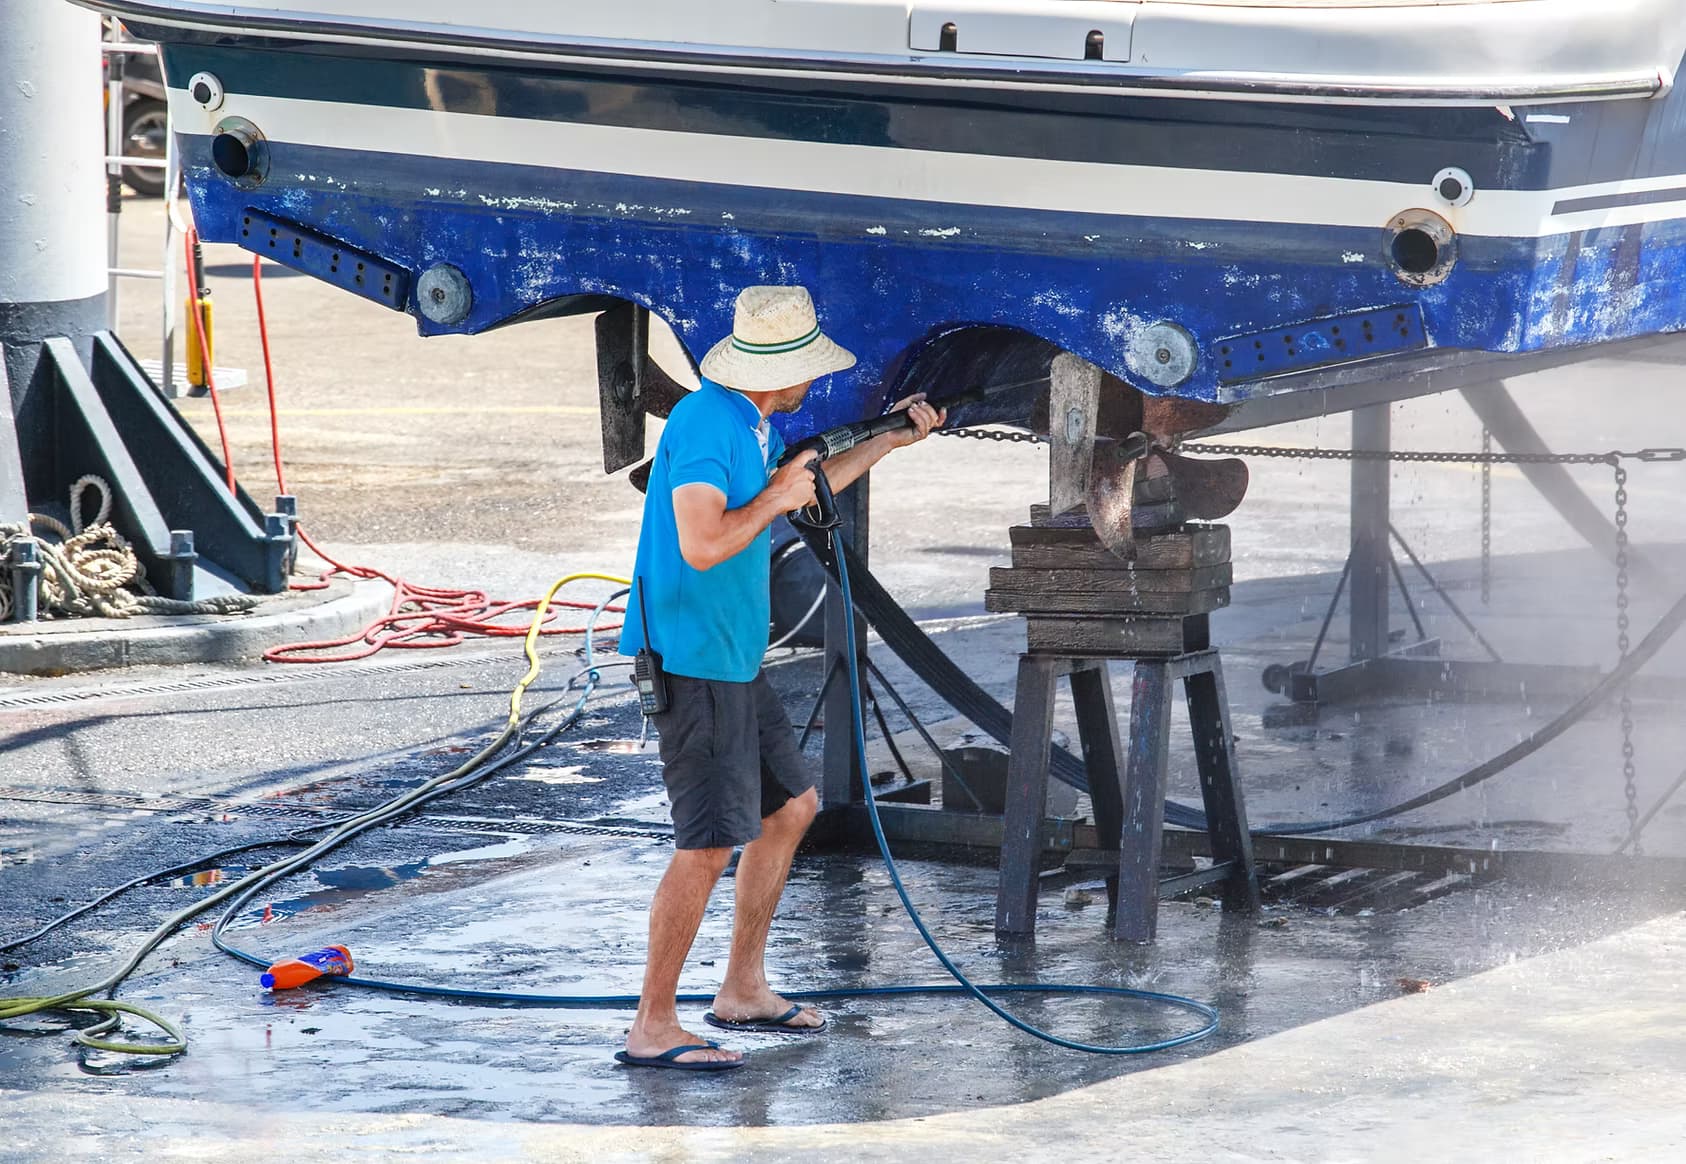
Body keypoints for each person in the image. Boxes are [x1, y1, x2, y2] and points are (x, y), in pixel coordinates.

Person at [614, 285, 945, 1070]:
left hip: (730, 657)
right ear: (782, 371)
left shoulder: (751, 423)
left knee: (790, 809)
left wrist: (890, 441)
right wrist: (773, 495)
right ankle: (652, 1025)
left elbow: (807, 487)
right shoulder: (705, 425)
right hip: (690, 660)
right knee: (706, 846)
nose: (815, 381)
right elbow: (702, 543)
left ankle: (742, 987)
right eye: (810, 369)